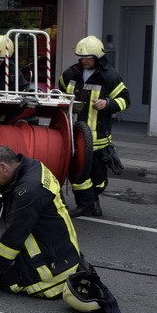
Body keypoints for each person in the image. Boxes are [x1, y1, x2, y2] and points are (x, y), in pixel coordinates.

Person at [0, 146, 83, 298]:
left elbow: (13, 237)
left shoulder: (28, 192)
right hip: (65, 252)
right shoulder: (34, 167)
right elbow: (9, 186)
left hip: (52, 272)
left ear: (3, 166)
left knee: (5, 282)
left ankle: (49, 283)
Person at [58, 36, 130, 217]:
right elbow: (57, 93)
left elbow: (125, 100)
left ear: (97, 57)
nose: (84, 61)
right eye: (81, 58)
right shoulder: (71, 73)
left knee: (98, 178)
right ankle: (86, 205)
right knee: (77, 174)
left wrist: (107, 104)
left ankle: (93, 201)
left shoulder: (109, 76)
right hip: (74, 135)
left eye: (88, 58)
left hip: (98, 138)